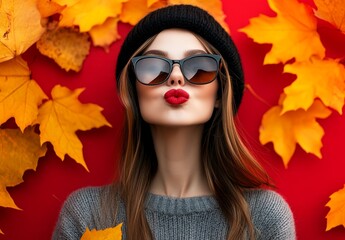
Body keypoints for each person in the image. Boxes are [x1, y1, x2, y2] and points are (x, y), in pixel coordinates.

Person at [52, 4, 295, 240]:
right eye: (154, 67)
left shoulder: (264, 218)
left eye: (199, 67)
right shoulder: (87, 216)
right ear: (134, 91)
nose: (176, 77)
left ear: (220, 93)